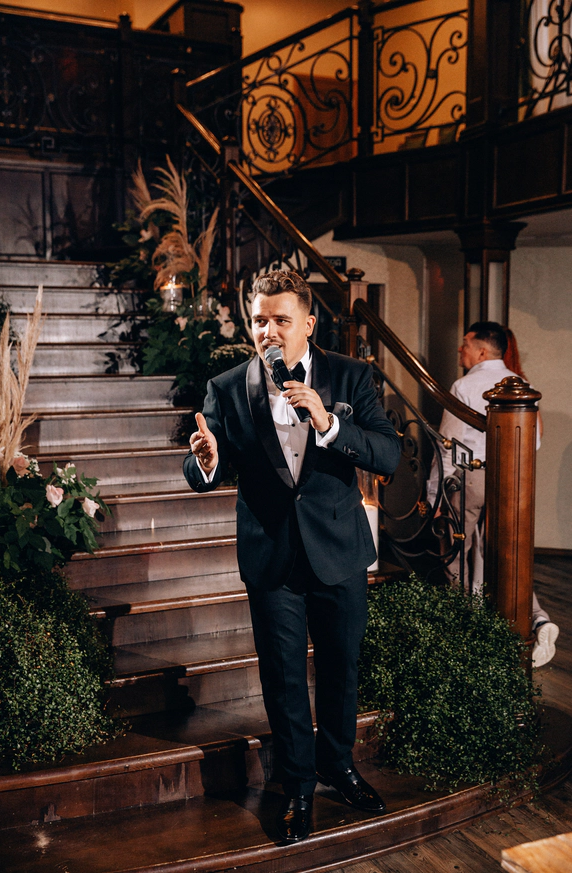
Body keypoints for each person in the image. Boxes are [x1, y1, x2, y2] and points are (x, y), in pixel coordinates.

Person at [183, 270, 401, 843]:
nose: (269, 331)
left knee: (341, 668)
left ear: (309, 323)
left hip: (338, 550)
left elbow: (388, 455)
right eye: (259, 320)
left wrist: (329, 423)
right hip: (272, 555)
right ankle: (298, 786)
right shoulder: (227, 387)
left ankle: (340, 767)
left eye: (281, 319)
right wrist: (206, 460)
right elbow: (203, 464)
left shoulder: (351, 376)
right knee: (282, 676)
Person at [426, 321, 559, 669]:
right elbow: (535, 442)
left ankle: (465, 627)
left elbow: (448, 446)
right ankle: (537, 620)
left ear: (482, 351)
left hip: (470, 478)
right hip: (510, 480)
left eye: (466, 343)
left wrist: (435, 493)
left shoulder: (464, 385)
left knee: (454, 550)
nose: (461, 349)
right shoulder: (522, 385)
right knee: (503, 556)